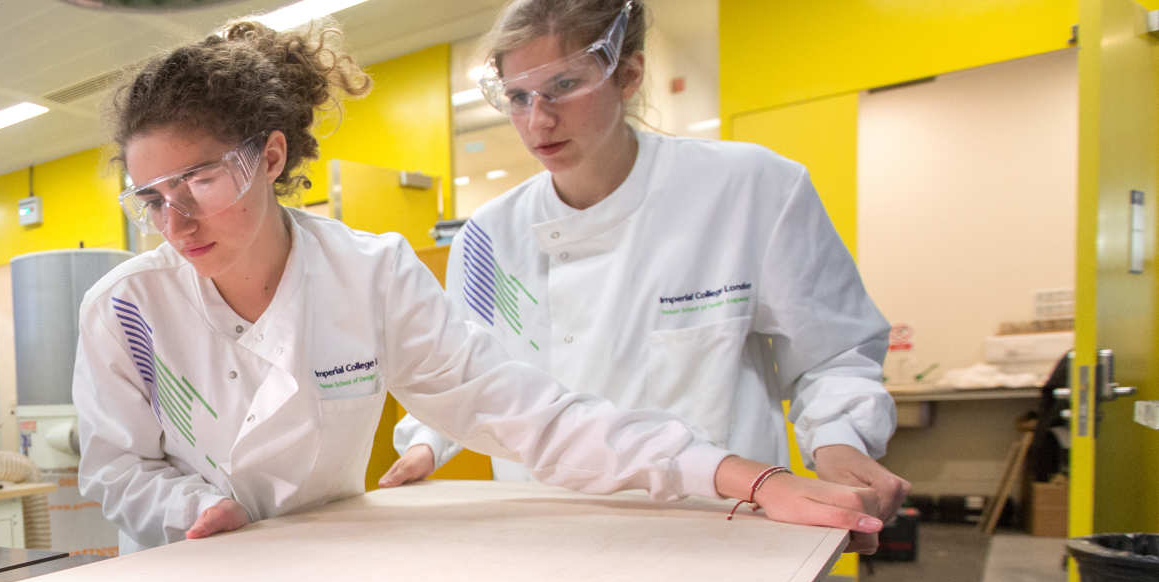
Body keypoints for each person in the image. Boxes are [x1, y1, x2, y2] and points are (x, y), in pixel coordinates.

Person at [74, 20, 885, 553]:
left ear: (273, 157)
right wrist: (195, 510)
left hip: (322, 565)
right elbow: (115, 470)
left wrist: (756, 479)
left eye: (201, 180)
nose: (176, 221)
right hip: (189, 571)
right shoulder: (125, 308)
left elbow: (532, 413)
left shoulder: (368, 274)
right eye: (152, 198)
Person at [381, 0, 909, 554]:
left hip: (724, 527)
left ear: (628, 74)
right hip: (547, 529)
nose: (538, 121)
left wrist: (839, 440)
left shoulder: (750, 188)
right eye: (518, 97)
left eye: (564, 85)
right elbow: (469, 368)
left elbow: (834, 352)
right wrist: (426, 440)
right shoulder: (488, 237)